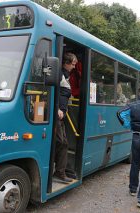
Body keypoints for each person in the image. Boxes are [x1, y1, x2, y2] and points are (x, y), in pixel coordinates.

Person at [54, 52, 78, 183]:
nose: (74, 67)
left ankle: (59, 171)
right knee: (61, 143)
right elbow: (53, 91)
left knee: (64, 143)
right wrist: (57, 107)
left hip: (62, 115)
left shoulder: (66, 76)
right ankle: (59, 172)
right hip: (57, 114)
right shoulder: (59, 74)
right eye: (73, 64)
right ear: (66, 63)